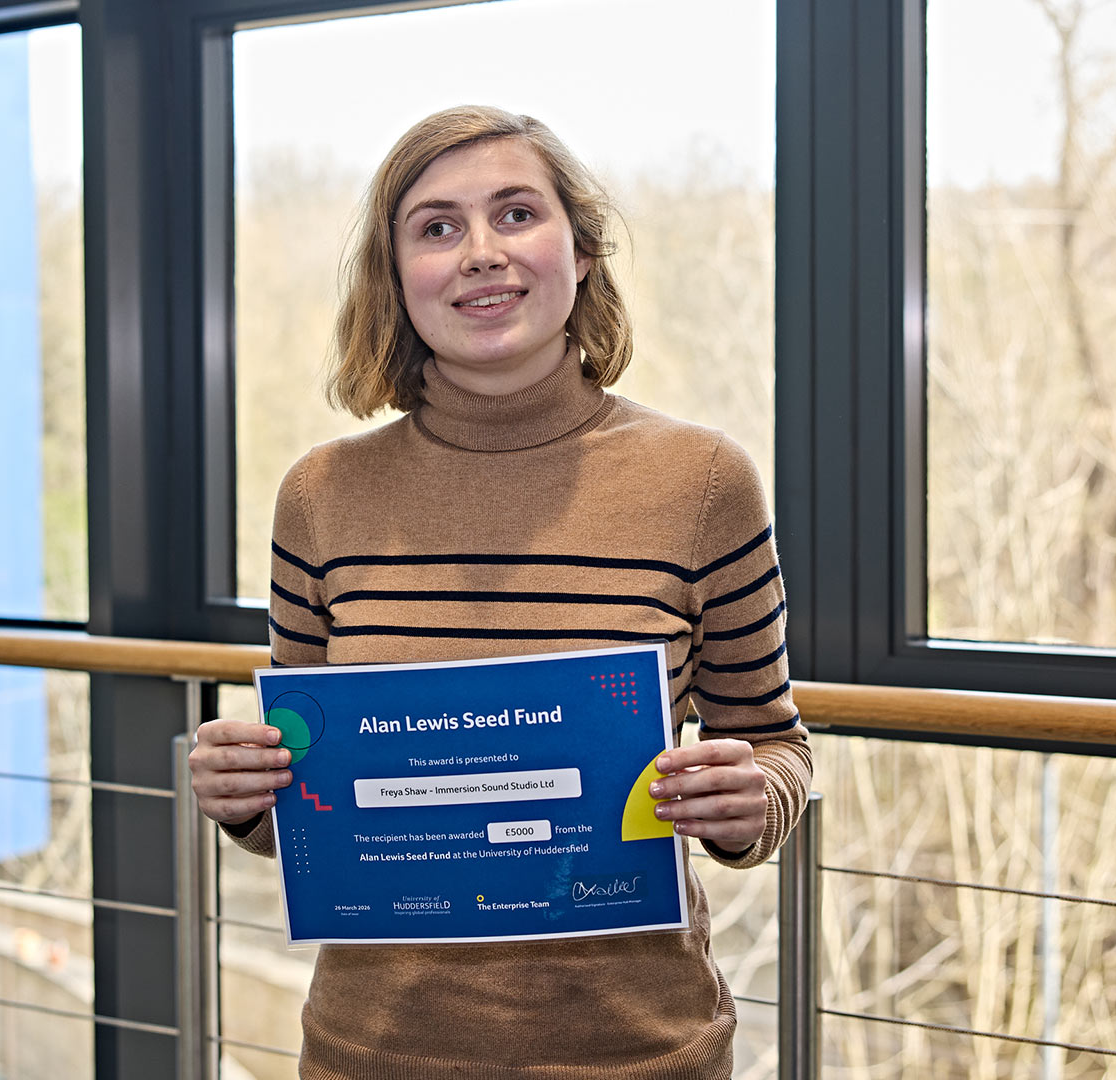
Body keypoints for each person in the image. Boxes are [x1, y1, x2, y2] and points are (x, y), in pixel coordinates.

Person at [188, 105, 812, 1079]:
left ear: (583, 249)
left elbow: (776, 743)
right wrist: (244, 796)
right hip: (369, 1053)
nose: (482, 252)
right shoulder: (319, 496)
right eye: (437, 228)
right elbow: (308, 799)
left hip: (640, 1056)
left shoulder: (703, 482)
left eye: (516, 214)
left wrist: (750, 803)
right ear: (397, 279)